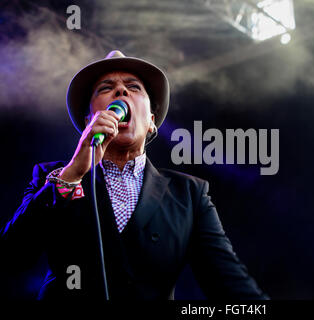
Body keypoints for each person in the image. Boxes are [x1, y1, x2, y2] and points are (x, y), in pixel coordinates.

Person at [0, 50, 268, 300]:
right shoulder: (52, 176)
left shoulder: (188, 194)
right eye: (106, 88)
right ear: (88, 121)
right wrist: (72, 174)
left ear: (151, 120)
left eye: (134, 87)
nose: (120, 90)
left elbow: (230, 284)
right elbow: (11, 258)